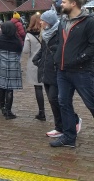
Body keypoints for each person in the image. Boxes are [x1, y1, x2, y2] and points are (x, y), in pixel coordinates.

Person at [51, 0, 94, 148]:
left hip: (81, 71)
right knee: (64, 103)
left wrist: (78, 59)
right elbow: (60, 43)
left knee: (91, 103)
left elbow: (92, 46)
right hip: (63, 71)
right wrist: (57, 56)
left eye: (64, 2)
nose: (61, 4)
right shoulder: (63, 21)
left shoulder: (89, 22)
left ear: (73, 4)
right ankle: (69, 137)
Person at [33, 8, 82, 138]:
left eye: (42, 20)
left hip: (56, 72)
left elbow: (63, 51)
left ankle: (70, 122)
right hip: (45, 71)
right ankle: (60, 126)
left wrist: (55, 61)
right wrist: (37, 60)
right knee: (52, 100)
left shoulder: (60, 33)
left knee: (57, 100)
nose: (40, 23)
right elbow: (43, 50)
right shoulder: (45, 33)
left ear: (48, 21)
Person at [0, 21, 23, 120]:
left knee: (1, 85)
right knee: (10, 89)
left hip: (0, 64)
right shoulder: (17, 41)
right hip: (12, 65)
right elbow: (19, 51)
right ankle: (8, 111)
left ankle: (2, 106)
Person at [23, 14, 45, 121]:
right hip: (47, 61)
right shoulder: (47, 32)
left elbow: (26, 50)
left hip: (34, 62)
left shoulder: (29, 35)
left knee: (38, 87)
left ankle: (42, 112)